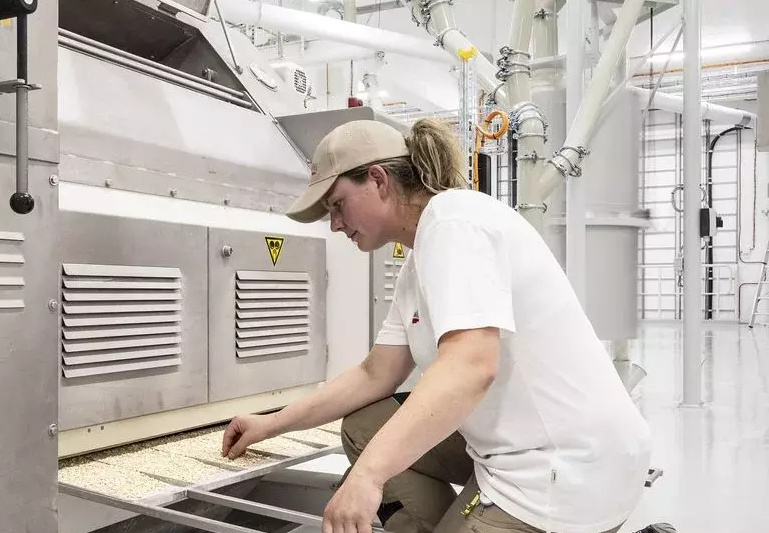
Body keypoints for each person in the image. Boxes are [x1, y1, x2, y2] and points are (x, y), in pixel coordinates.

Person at [221, 118, 653, 533]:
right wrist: (270, 423)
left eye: (337, 205)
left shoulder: (454, 222)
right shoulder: (419, 257)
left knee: (376, 451)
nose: (335, 225)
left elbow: (470, 367)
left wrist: (368, 477)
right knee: (363, 427)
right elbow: (376, 373)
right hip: (514, 450)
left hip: (563, 471)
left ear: (378, 180)